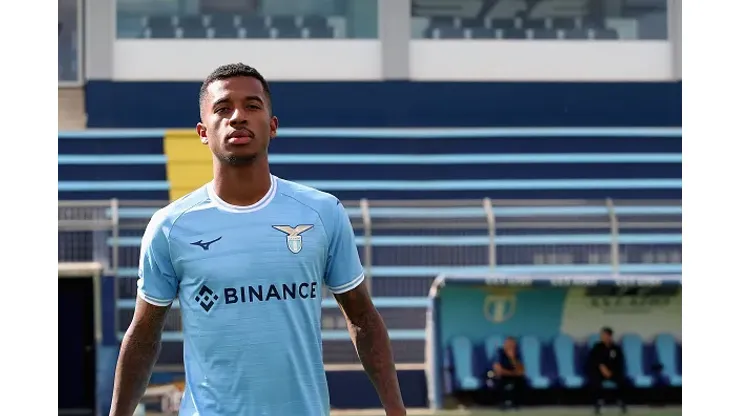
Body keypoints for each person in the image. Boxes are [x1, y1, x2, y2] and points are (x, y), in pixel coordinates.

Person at [109, 63, 406, 416]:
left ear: (273, 125)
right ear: (203, 132)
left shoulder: (322, 213)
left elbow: (363, 319)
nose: (237, 117)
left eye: (252, 106)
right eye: (223, 108)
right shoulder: (170, 226)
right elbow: (143, 336)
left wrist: (396, 409)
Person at [586, 327, 628, 415]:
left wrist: (611, 372)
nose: (602, 337)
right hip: (599, 372)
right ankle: (598, 402)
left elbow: (619, 362)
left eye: (604, 335)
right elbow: (594, 361)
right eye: (602, 335)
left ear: (609, 336)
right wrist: (602, 368)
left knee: (622, 379)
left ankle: (621, 401)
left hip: (612, 372)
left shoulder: (616, 348)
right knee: (594, 379)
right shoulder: (597, 347)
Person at [492, 337, 527, 409]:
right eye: (508, 344)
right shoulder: (499, 353)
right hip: (502, 375)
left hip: (513, 376)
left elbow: (521, 370)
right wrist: (513, 373)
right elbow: (498, 369)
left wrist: (512, 358)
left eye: (512, 345)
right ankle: (502, 402)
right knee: (498, 378)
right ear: (504, 344)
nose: (510, 346)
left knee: (522, 379)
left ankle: (516, 403)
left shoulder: (517, 354)